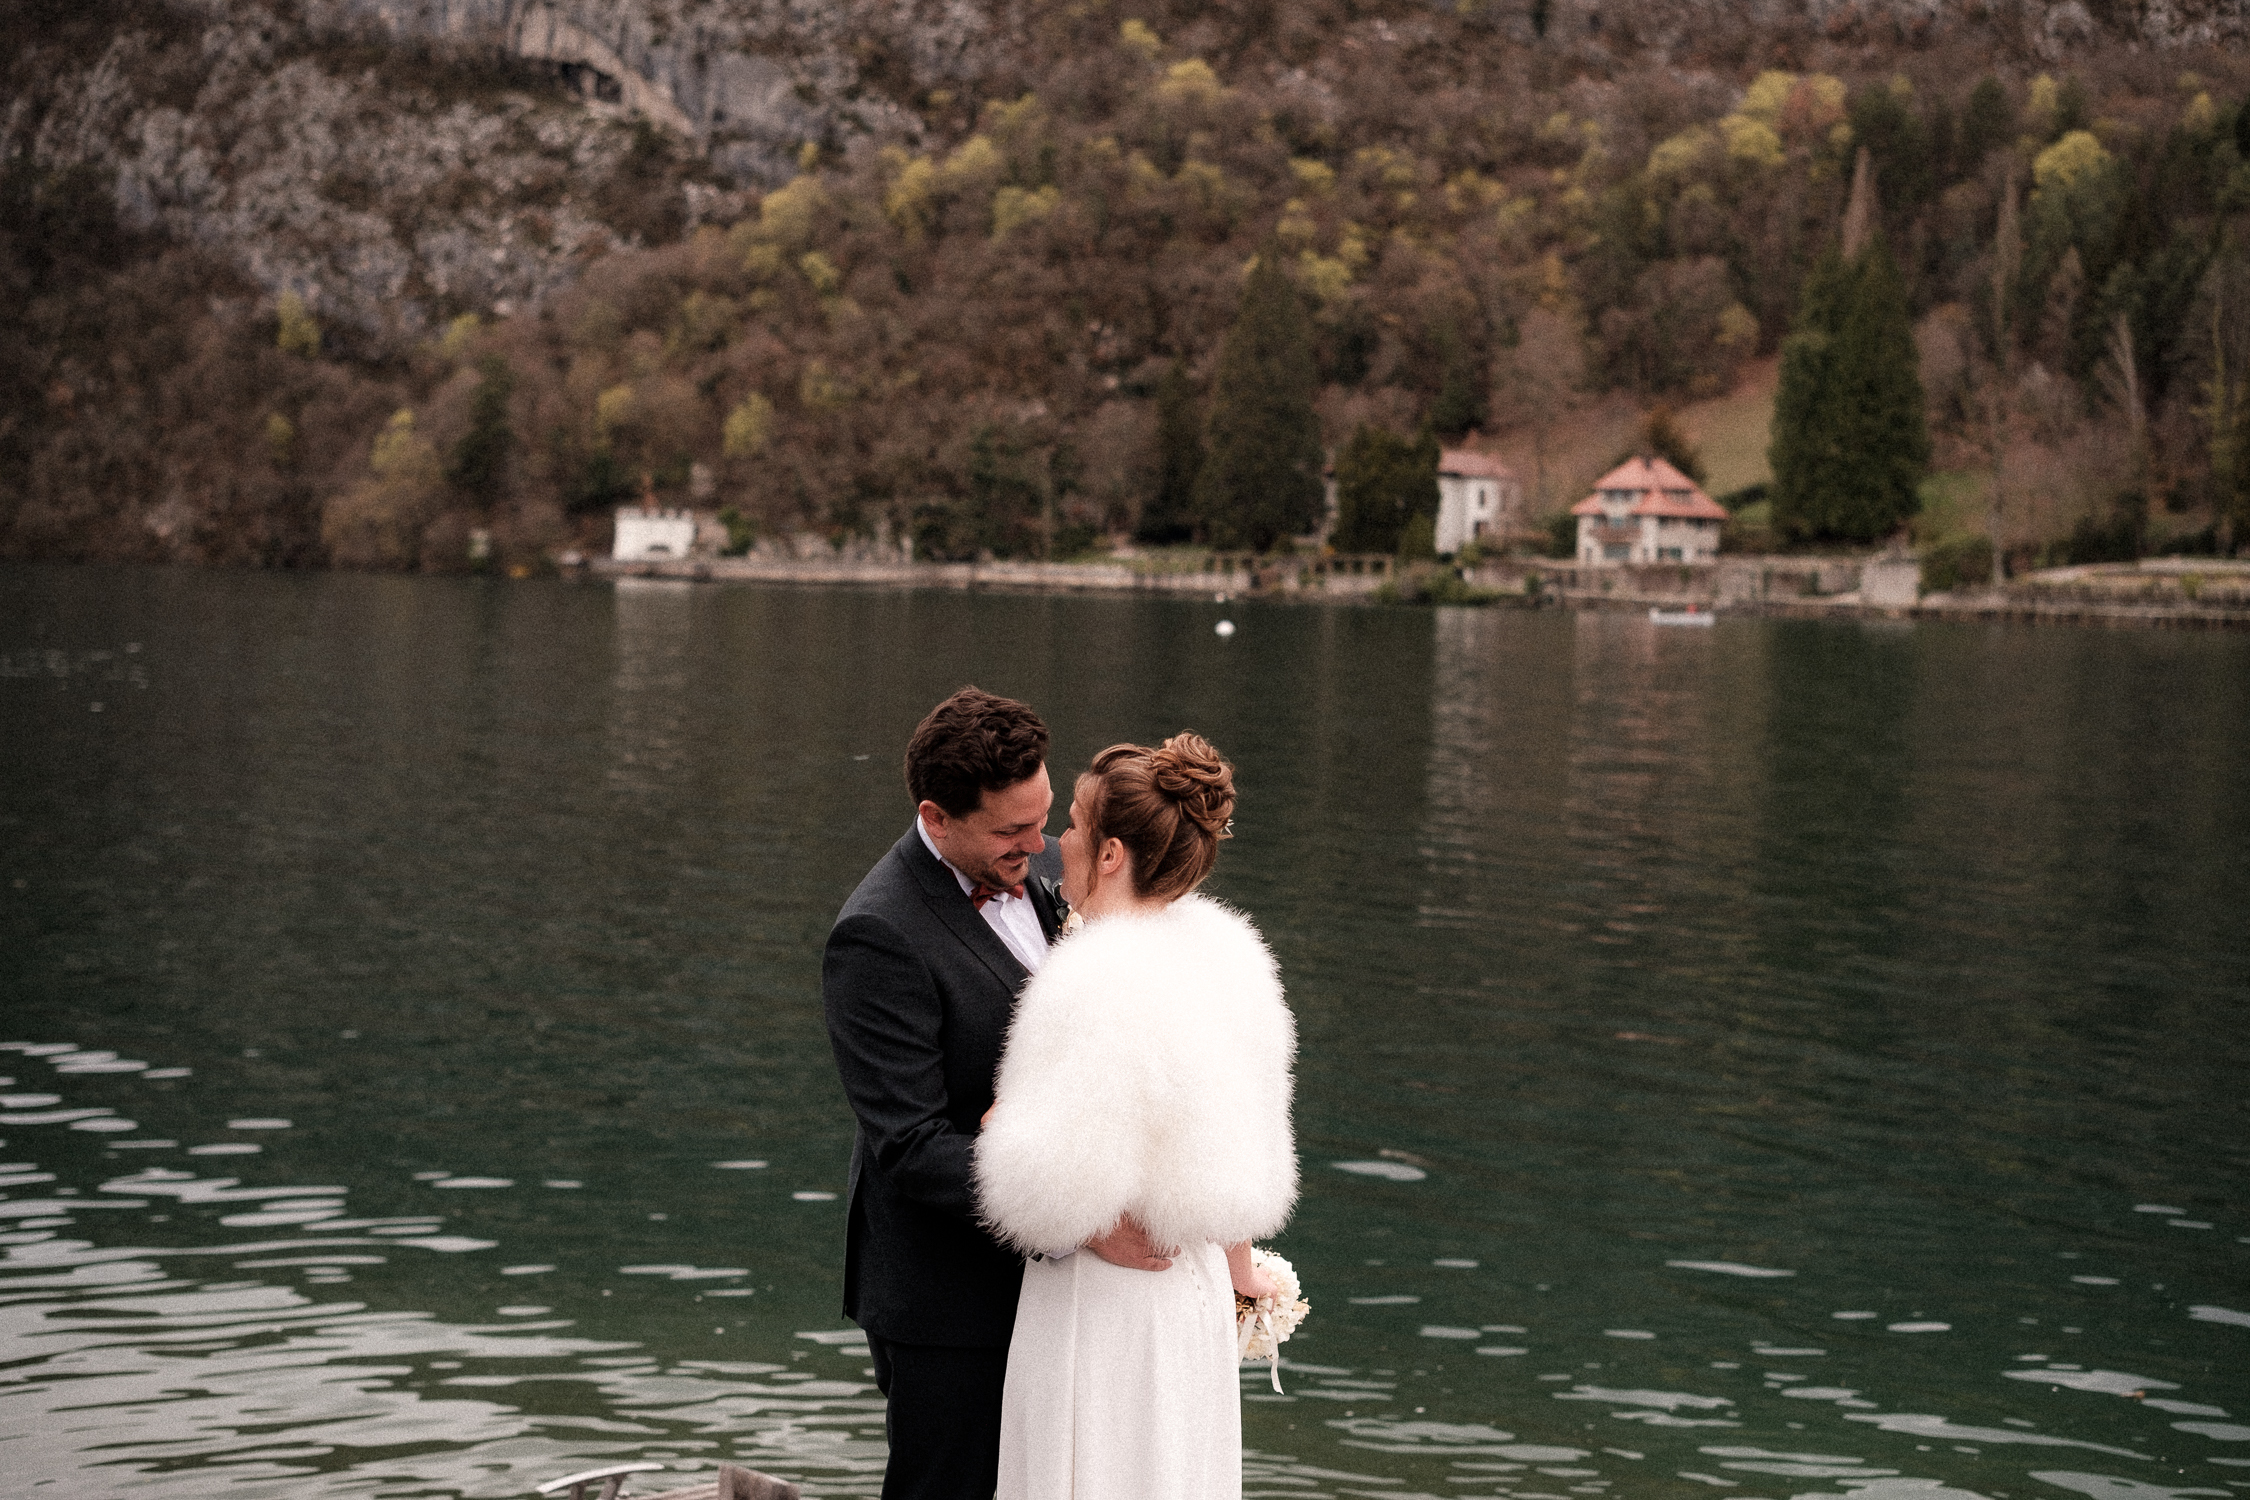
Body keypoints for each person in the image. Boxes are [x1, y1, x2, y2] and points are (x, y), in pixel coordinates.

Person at [821, 687, 1172, 1500]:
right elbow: (911, 1147)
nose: (1040, 842)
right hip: (947, 1301)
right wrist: (1081, 1222)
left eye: (1045, 817)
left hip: (1068, 1297)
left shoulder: (1052, 866)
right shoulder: (876, 935)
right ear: (937, 817)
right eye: (1012, 830)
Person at [975, 732, 1298, 1500]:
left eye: (1079, 827)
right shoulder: (1232, 960)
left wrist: (995, 1125)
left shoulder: (1089, 980)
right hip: (1193, 1301)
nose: (1062, 841)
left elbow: (1045, 1193)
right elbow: (1241, 1145)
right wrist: (1243, 1274)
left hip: (1103, 1308)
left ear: (1113, 853)